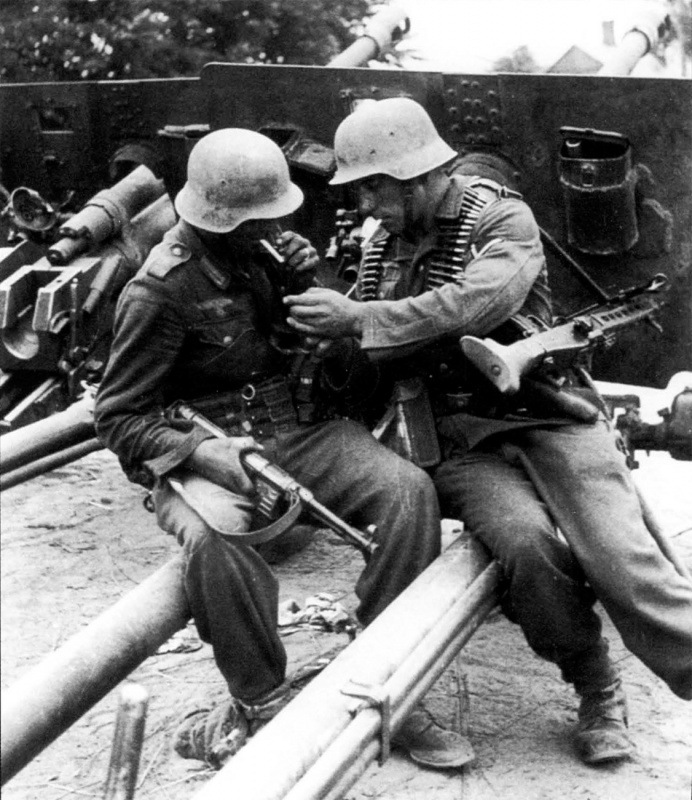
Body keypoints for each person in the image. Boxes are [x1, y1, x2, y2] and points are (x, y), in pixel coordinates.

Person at [284, 97, 692, 766]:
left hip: (546, 414)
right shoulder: (381, 245)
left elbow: (478, 302)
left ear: (415, 176)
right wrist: (326, 330)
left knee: (623, 560)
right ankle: (595, 683)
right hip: (458, 436)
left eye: (374, 188)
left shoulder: (501, 218)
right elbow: (372, 355)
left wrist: (359, 319)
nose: (366, 205)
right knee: (527, 546)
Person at [94, 127, 473, 770]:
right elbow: (117, 416)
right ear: (218, 220)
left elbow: (318, 352)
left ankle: (387, 675)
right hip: (207, 449)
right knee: (216, 537)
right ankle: (262, 700)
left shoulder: (264, 257)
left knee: (408, 492)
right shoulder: (160, 289)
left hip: (299, 431)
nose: (274, 228)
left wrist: (308, 282)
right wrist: (199, 454)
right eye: (258, 220)